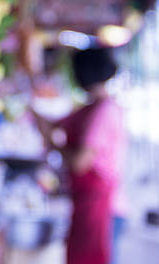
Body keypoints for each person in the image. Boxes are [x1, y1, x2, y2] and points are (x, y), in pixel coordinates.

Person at [34, 48, 126, 264]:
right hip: (86, 200)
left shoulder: (104, 111)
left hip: (101, 203)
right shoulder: (91, 108)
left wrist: (55, 146)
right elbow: (52, 124)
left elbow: (79, 162)